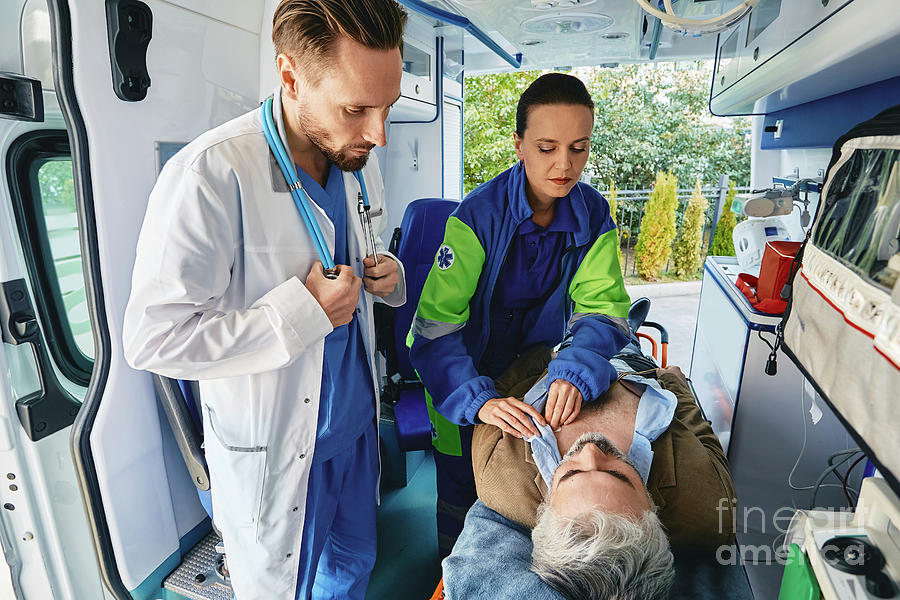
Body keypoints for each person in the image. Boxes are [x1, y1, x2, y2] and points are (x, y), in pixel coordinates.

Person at [121, 2, 408, 598]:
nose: (378, 134)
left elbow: (365, 241)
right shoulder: (210, 175)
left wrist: (390, 274)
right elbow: (152, 339)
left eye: (389, 107)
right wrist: (302, 314)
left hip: (355, 435)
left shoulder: (354, 160)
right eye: (357, 109)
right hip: (277, 453)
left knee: (350, 573)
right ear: (289, 76)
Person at [408, 72, 632, 557]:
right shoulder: (476, 217)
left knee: (519, 492)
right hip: (459, 379)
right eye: (547, 147)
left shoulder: (593, 216)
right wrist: (476, 400)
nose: (564, 165)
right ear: (519, 145)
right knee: (459, 490)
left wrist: (572, 372)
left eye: (579, 147)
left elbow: (603, 308)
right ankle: (452, 575)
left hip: (531, 373)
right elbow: (436, 326)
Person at [443, 345, 736, 599]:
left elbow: (509, 382)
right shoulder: (709, 508)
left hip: (559, 350)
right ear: (652, 507)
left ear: (544, 510)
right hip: (637, 365)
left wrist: (555, 354)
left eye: (570, 473)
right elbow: (700, 429)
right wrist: (673, 379)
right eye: (620, 474)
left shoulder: (498, 470)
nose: (591, 450)